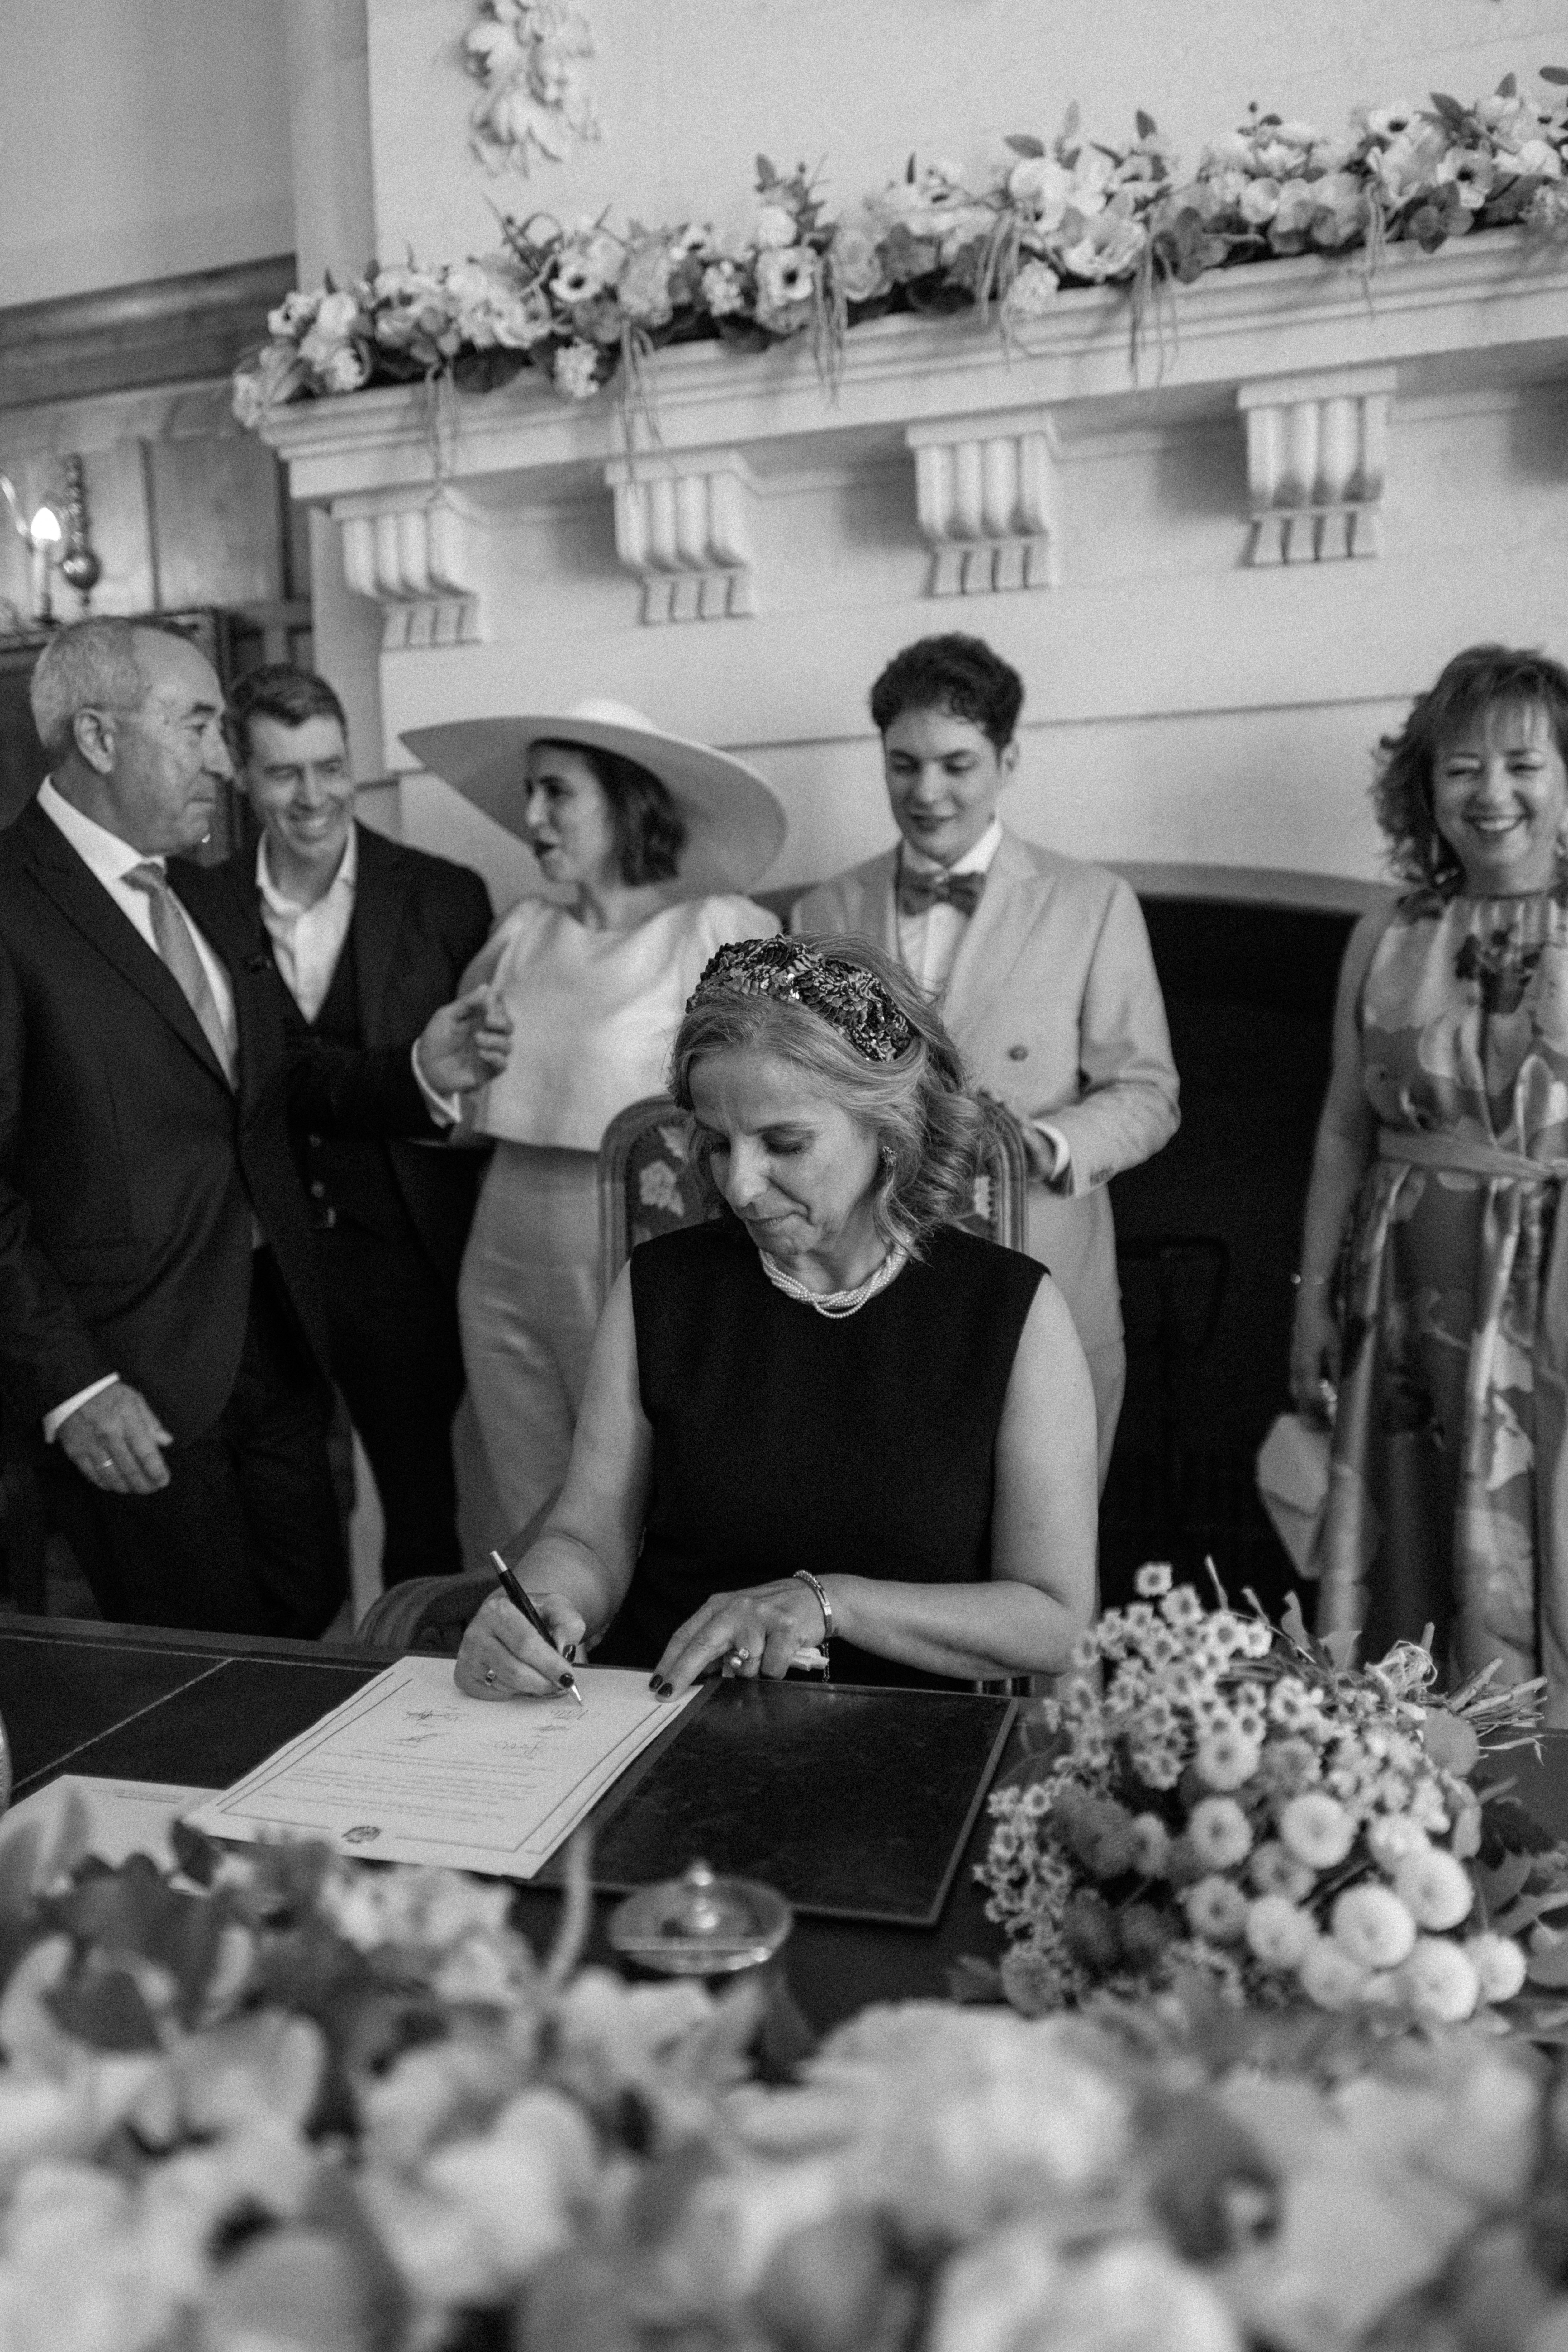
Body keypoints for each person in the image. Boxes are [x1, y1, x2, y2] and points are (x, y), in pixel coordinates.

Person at [0, 619, 510, 1636]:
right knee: (204, 1676)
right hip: (132, 1378)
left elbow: (284, 1084)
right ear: (98, 738)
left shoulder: (202, 895)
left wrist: (421, 1073)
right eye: (197, 726)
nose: (224, 765)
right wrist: (75, 1385)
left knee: (305, 1631)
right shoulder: (10, 906)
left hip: (278, 1343)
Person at [454, 935, 1097, 1701]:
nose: (742, 1186)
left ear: (890, 1132)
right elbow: (589, 1538)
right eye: (719, 1144)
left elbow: (1055, 1621)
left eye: (784, 1143)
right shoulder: (662, 1289)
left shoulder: (1011, 1313)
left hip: (908, 1747)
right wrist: (540, 1605)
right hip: (666, 1716)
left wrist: (827, 1603)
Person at [792, 635, 1178, 1487]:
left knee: (1042, 1545)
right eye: (903, 765)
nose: (926, 793)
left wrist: (1039, 1148)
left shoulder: (1092, 901)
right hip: (867, 1279)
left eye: (956, 765)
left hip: (1038, 1272)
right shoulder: (824, 908)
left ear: (1008, 758)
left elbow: (1148, 1093)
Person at [403, 699, 784, 1538]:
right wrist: (453, 1073)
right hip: (498, 1243)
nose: (532, 818)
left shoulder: (718, 932)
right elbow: (459, 1113)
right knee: (518, 1494)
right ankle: (538, 1652)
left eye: (555, 793)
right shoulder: (522, 933)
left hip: (629, 1245)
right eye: (528, 794)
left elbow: (773, 1110)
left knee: (629, 1488)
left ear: (624, 800)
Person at [1294, 644, 1568, 1724]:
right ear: (1426, 787)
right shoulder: (1386, 933)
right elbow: (1338, 1132)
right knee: (1399, 1559)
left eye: (1523, 764)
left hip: (1550, 1295)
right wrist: (1307, 1304)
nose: (1491, 795)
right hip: (1400, 1299)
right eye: (1461, 768)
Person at [229, 665, 494, 1586]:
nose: (313, 797)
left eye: (330, 766)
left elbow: (485, 1089)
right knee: (280, 1504)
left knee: (422, 1510)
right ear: (241, 773)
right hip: (259, 1260)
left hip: (404, 1255)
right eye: (283, 773)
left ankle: (417, 1711)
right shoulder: (201, 902)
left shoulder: (445, 896)